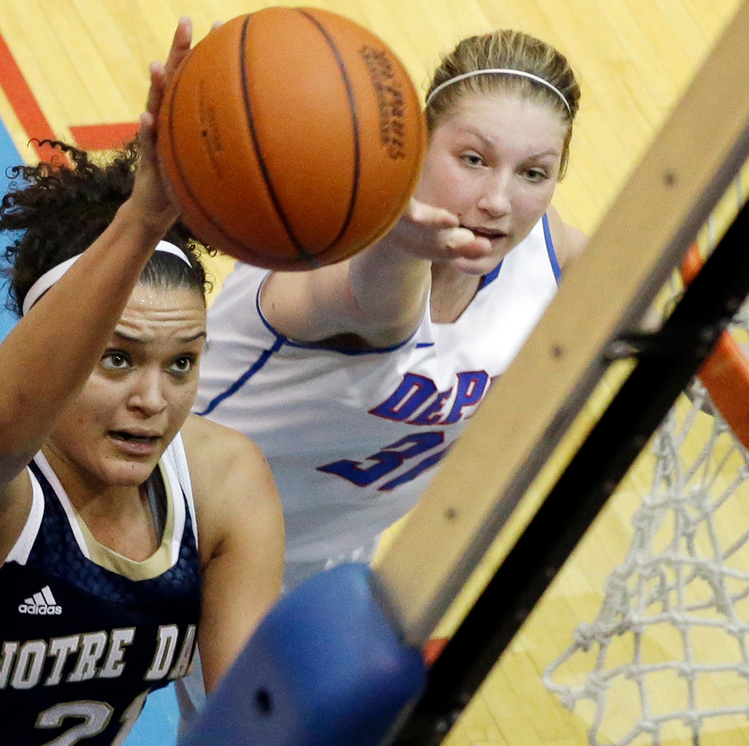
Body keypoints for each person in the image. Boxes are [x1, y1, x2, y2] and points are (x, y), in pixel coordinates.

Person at [0, 18, 283, 745]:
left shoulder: (225, 485)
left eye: (183, 363)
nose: (152, 400)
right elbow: (1, 426)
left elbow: (248, 725)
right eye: (117, 357)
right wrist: (145, 214)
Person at [195, 28, 586, 592]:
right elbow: (379, 303)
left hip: (316, 562)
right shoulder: (349, 249)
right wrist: (399, 244)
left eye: (533, 173)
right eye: (473, 159)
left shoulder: (548, 257)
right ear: (419, 144)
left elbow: (644, 282)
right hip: (173, 520)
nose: (498, 201)